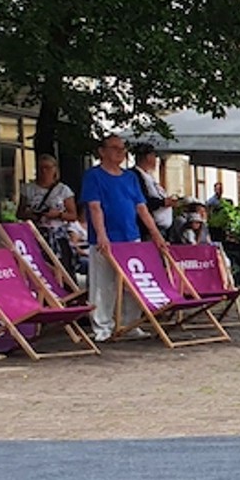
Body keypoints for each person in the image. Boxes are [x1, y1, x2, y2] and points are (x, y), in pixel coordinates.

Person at [80, 133, 170, 342]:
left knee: (133, 283)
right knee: (104, 284)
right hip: (105, 238)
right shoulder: (94, 176)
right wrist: (101, 235)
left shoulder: (130, 177)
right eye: (114, 148)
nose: (120, 153)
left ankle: (131, 324)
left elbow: (141, 207)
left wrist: (155, 234)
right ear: (102, 152)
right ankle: (102, 327)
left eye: (122, 149)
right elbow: (95, 207)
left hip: (131, 235)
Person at [17, 153, 85, 273]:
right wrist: (32, 214)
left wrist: (58, 214)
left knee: (62, 269)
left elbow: (73, 215)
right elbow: (20, 213)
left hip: (58, 236)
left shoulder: (63, 190)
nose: (44, 171)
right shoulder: (28, 189)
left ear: (55, 169)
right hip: (36, 234)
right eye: (41, 168)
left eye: (48, 167)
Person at [129, 141, 176, 239]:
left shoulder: (148, 176)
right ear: (148, 157)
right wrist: (163, 202)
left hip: (159, 227)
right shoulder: (135, 176)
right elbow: (143, 201)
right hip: (147, 229)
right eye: (154, 157)